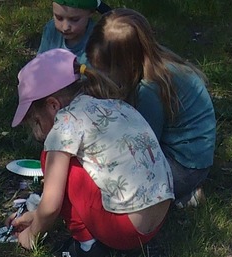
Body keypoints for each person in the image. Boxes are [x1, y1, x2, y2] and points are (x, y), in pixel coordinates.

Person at [9, 48, 172, 257]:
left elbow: (51, 205)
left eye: (37, 121)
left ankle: (87, 245)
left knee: (52, 158)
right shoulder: (113, 104)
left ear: (53, 105)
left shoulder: (66, 123)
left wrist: (32, 234)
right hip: (156, 220)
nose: (37, 132)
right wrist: (36, 215)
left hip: (125, 231)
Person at [86, 10, 215, 206]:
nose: (102, 76)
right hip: (189, 155)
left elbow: (142, 148)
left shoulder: (150, 90)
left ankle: (182, 193)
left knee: (120, 186)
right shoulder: (150, 58)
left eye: (105, 71)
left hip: (185, 166)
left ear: (126, 65)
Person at [37, 0, 104, 59]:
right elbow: (40, 63)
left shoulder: (98, 40)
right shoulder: (51, 30)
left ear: (91, 13)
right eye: (59, 18)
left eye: (74, 20)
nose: (65, 28)